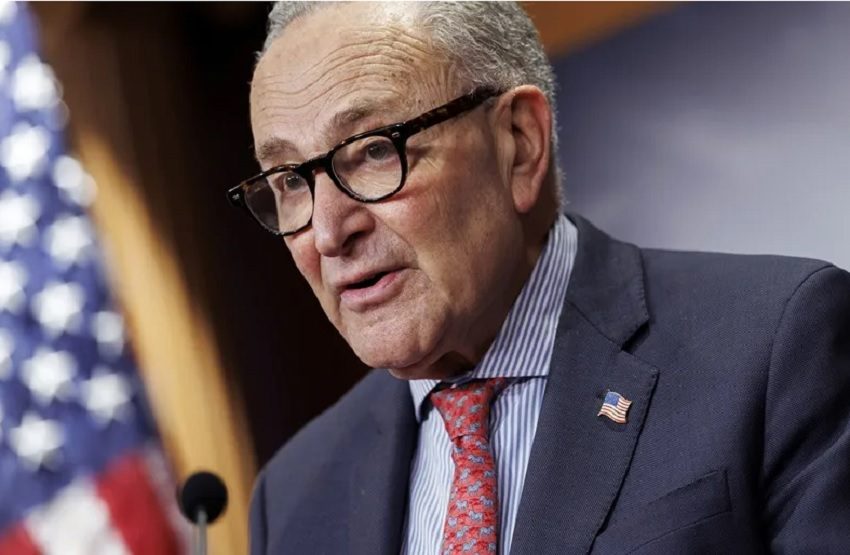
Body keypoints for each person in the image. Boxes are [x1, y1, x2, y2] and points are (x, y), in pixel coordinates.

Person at [233, 2, 850, 554]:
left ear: (519, 143)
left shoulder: (774, 350)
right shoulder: (291, 501)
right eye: (290, 181)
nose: (328, 232)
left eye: (372, 150)